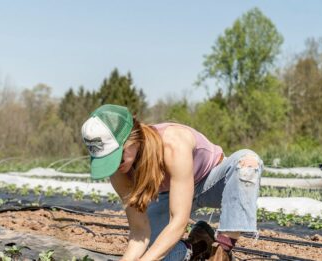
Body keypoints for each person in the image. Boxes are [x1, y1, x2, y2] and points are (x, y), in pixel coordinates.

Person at [81, 104, 263, 261]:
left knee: (247, 163)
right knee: (154, 250)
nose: (116, 165)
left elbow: (178, 221)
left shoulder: (172, 143)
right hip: (169, 195)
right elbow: (139, 232)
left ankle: (222, 250)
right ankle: (198, 246)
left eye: (118, 157)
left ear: (133, 138)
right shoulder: (118, 172)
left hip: (210, 182)